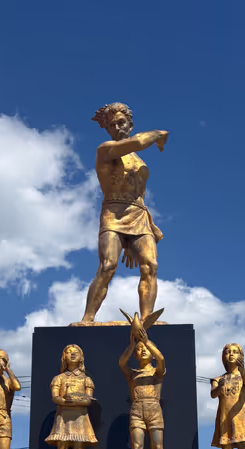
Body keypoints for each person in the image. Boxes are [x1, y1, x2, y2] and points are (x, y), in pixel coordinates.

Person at [78, 102, 168, 324]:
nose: (117, 128)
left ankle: (147, 319)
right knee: (108, 265)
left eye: (121, 122)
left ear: (130, 124)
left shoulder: (138, 159)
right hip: (114, 213)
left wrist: (131, 241)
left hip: (139, 215)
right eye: (112, 125)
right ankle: (87, 318)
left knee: (151, 266)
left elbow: (140, 191)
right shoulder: (106, 150)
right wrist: (159, 134)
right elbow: (138, 141)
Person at [119, 326, 166, 449]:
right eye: (140, 349)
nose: (143, 350)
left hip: (154, 409)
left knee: (157, 447)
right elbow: (121, 362)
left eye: (146, 348)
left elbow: (161, 359)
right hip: (137, 410)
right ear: (136, 354)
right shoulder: (132, 374)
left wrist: (146, 341)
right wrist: (132, 344)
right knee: (136, 448)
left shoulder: (157, 372)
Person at [45, 344, 97, 449]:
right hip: (63, 417)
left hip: (80, 417)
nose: (72, 354)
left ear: (81, 357)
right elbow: (55, 398)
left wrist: (70, 400)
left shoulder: (87, 379)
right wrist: (68, 401)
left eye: (76, 352)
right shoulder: (59, 378)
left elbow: (88, 400)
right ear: (64, 357)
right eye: (69, 352)